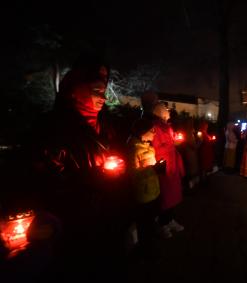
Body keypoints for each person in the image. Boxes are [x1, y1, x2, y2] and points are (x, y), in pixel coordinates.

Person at [27, 53, 129, 280]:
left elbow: (119, 155)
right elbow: (46, 180)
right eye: (96, 90)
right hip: (75, 227)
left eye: (104, 90)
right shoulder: (54, 128)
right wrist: (94, 180)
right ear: (75, 89)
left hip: (108, 217)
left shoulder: (106, 126)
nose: (103, 97)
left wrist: (120, 167)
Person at [127, 118, 164, 261]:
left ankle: (151, 247)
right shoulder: (134, 148)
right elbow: (132, 174)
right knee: (145, 225)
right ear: (143, 132)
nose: (155, 133)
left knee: (151, 223)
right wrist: (153, 169)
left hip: (154, 190)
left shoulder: (149, 146)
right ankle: (146, 252)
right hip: (143, 194)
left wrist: (158, 169)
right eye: (152, 130)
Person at [150, 102, 185, 239]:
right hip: (165, 166)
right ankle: (163, 223)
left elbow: (170, 142)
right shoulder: (156, 127)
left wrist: (175, 141)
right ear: (160, 112)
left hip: (173, 164)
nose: (169, 111)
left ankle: (170, 220)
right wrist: (170, 146)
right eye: (166, 109)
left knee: (173, 194)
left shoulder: (167, 126)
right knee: (166, 196)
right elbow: (156, 148)